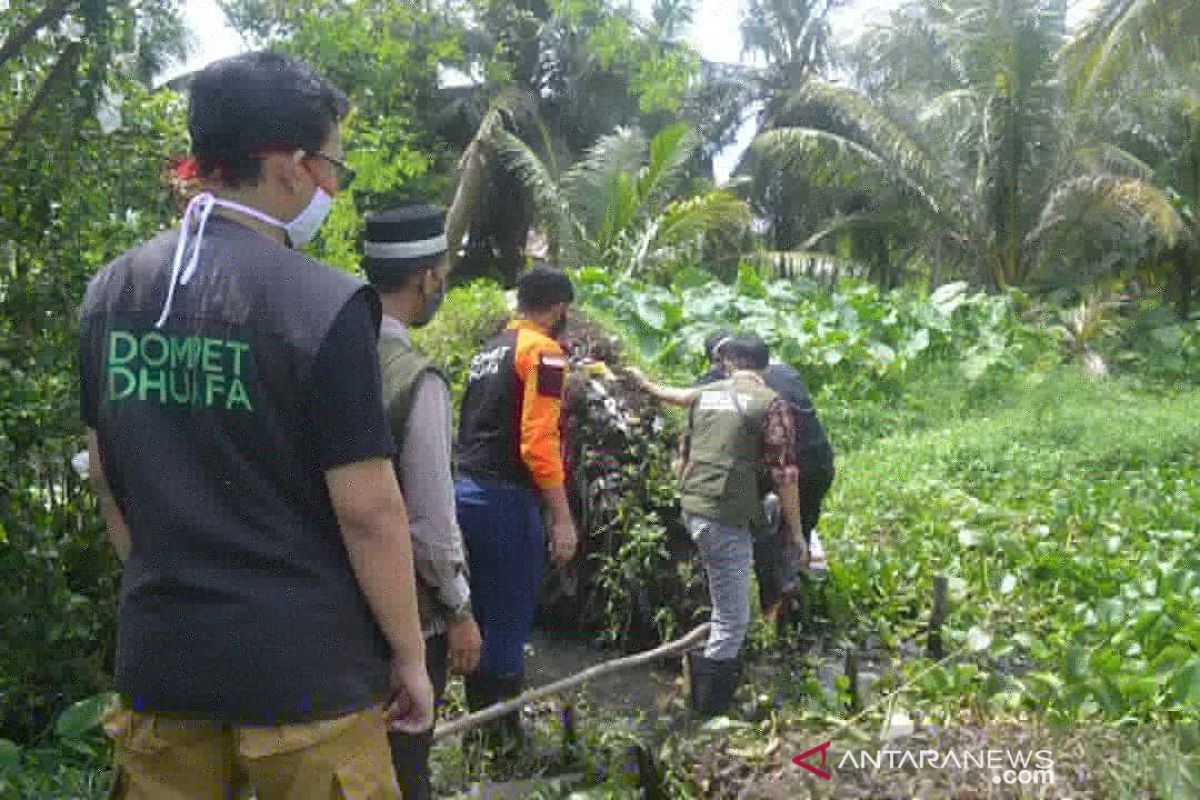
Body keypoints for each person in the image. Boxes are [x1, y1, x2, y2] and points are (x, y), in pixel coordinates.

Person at [77, 52, 431, 799]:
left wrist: (178, 582)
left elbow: (107, 474)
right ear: (290, 167)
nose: (333, 187)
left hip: (163, 668)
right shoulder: (326, 305)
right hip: (308, 682)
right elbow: (369, 511)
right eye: (334, 166)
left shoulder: (112, 292)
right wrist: (409, 656)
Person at [362, 204, 483, 798]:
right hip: (402, 618)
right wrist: (458, 609)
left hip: (320, 608)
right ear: (427, 278)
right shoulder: (416, 377)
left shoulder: (322, 353)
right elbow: (430, 520)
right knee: (403, 767)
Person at [626, 335, 804, 717]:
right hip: (722, 518)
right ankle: (709, 713)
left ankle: (749, 601)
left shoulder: (707, 394)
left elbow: (677, 414)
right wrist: (799, 534)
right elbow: (786, 475)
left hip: (695, 508)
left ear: (730, 365)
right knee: (732, 618)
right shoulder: (771, 404)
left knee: (765, 515)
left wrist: (642, 382)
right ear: (764, 368)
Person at [455, 266, 579, 751]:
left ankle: (474, 738)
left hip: (465, 493)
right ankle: (503, 745)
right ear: (559, 309)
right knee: (507, 618)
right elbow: (538, 442)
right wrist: (562, 516)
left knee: (478, 617)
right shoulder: (545, 354)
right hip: (505, 500)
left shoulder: (489, 351)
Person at [661, 328, 836, 626]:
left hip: (780, 469)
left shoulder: (719, 383)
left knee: (763, 526)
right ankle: (796, 599)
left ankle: (772, 600)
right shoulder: (786, 371)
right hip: (819, 463)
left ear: (723, 361)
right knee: (798, 535)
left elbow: (694, 415)